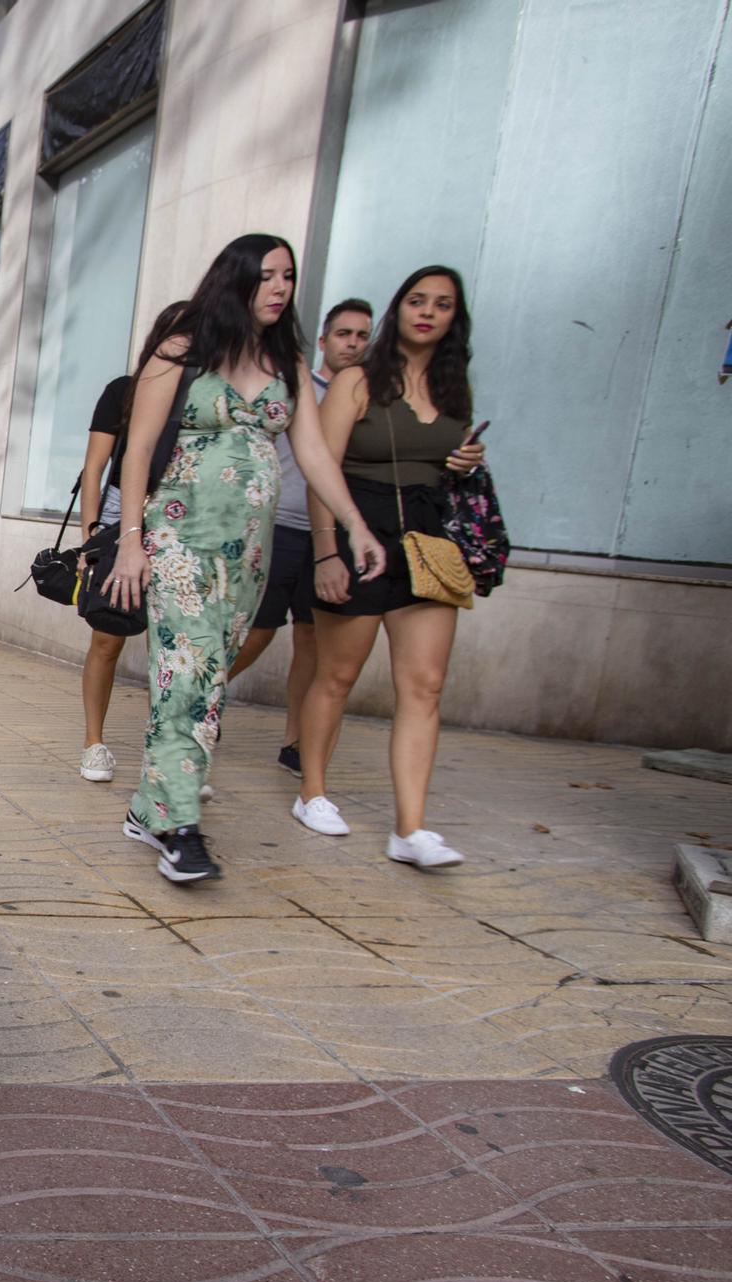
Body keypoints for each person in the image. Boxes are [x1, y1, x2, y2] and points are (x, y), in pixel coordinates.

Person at [102, 234, 388, 884]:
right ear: (235, 280)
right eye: (266, 276)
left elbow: (314, 454)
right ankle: (180, 829)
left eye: (288, 275)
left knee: (205, 676)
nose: (281, 286)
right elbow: (139, 448)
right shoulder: (185, 340)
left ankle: (149, 808)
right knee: (191, 672)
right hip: (177, 538)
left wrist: (355, 527)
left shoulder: (284, 356)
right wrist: (129, 544)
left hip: (247, 553)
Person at [295, 265, 487, 867]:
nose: (428, 312)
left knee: (424, 686)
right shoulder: (357, 381)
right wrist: (327, 550)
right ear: (397, 311)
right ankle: (312, 793)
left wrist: (464, 461)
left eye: (443, 304)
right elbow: (318, 470)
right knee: (338, 676)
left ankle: (411, 829)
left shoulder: (457, 390)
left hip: (426, 541)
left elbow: (446, 465)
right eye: (416, 300)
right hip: (357, 529)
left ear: (456, 318)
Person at [224, 297, 373, 776]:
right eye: (344, 334)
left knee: (312, 640)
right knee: (262, 630)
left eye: (363, 335)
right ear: (325, 340)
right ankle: (204, 692)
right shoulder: (295, 383)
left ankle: (294, 740)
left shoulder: (367, 395)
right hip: (281, 524)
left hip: (329, 537)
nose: (353, 343)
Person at [76, 302, 186, 783]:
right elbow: (95, 469)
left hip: (184, 522)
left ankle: (173, 749)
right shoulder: (125, 391)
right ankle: (94, 742)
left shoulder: (206, 398)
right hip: (124, 518)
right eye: (181, 334)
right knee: (108, 635)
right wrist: (91, 537)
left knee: (183, 646)